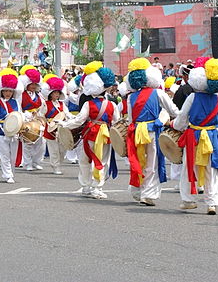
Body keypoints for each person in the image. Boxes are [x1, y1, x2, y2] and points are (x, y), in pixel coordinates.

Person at [172, 58, 218, 215]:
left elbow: (181, 118)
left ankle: (189, 200)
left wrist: (176, 126)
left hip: (194, 135)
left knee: (189, 167)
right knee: (212, 169)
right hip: (213, 136)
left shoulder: (192, 97)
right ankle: (212, 202)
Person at [121, 58, 178, 206]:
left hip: (136, 131)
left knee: (139, 160)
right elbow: (174, 111)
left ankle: (137, 190)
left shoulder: (131, 97)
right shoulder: (158, 93)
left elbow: (131, 119)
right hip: (152, 130)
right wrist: (165, 117)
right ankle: (148, 194)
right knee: (152, 163)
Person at [63, 62, 118, 199]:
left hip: (90, 133)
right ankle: (97, 188)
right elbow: (117, 123)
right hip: (105, 135)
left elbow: (79, 120)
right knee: (102, 160)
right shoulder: (112, 104)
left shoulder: (88, 103)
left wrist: (65, 126)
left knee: (84, 159)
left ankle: (86, 186)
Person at [41, 75, 67, 175]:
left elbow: (67, 114)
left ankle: (59, 164)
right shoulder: (45, 104)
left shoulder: (62, 104)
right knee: (54, 150)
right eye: (55, 92)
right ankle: (56, 166)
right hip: (50, 128)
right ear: (50, 93)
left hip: (61, 128)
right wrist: (45, 123)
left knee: (63, 149)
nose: (56, 94)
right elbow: (41, 115)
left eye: (58, 92)